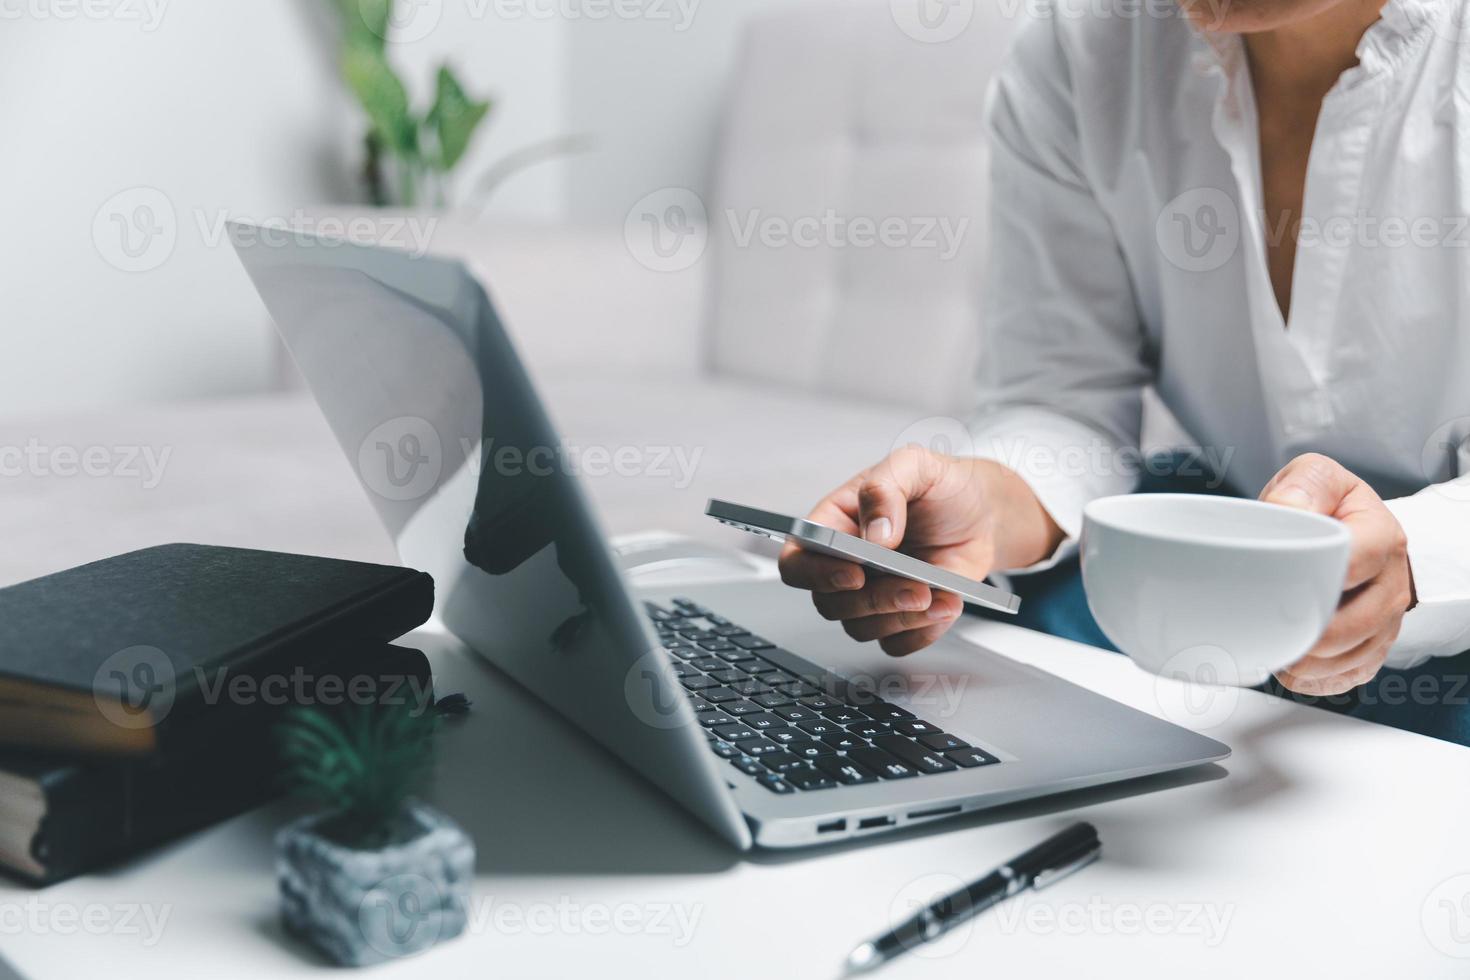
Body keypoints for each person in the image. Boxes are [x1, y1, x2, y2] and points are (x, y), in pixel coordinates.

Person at [778, 0, 1470, 735]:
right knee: (970, 682)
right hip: (1235, 562)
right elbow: (1062, 394)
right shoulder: (1079, 44)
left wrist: (1420, 562)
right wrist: (984, 502)